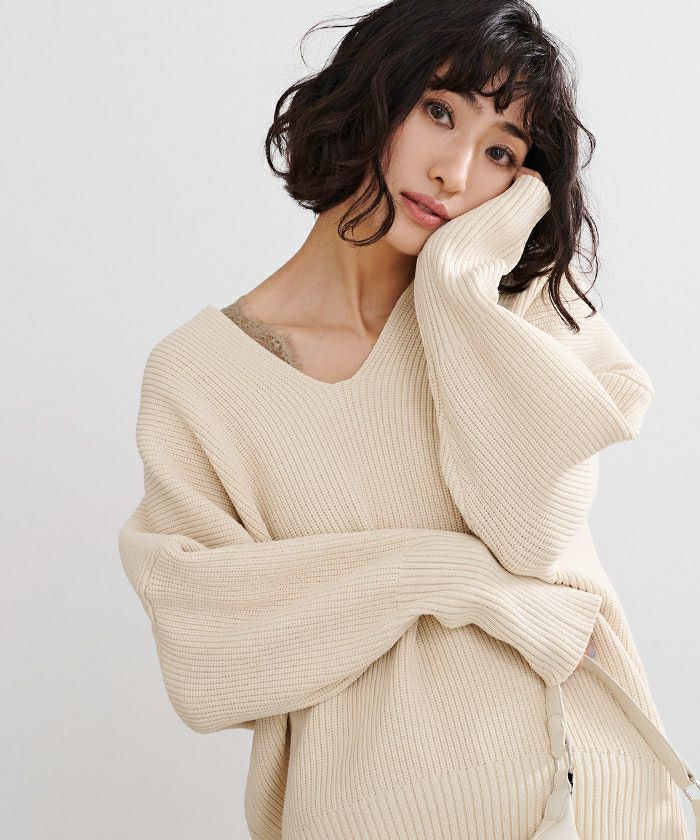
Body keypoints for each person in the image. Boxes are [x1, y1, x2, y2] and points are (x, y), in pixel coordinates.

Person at [118, 1, 694, 838]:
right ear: (371, 94)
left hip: (589, 796)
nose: (455, 172)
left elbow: (533, 538)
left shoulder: (516, 312)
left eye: (501, 152)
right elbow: (208, 658)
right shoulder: (200, 379)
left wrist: (456, 288)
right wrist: (445, 576)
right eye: (438, 111)